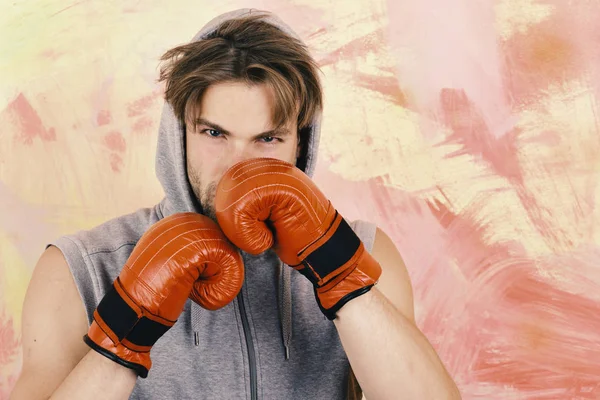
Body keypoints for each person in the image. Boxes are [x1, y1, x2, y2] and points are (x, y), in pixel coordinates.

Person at [10, 8, 461, 400]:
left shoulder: (365, 252)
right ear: (179, 132)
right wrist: (124, 331)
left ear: (300, 146)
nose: (237, 166)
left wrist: (340, 273)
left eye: (267, 139)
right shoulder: (80, 269)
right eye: (214, 134)